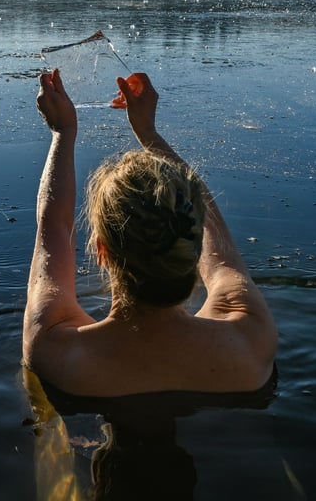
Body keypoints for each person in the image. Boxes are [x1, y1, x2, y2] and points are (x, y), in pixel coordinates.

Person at [24, 69, 277, 397]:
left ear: (103, 251)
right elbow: (219, 245)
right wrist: (148, 132)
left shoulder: (56, 351)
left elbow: (53, 227)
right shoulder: (251, 339)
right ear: (194, 243)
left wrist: (63, 132)